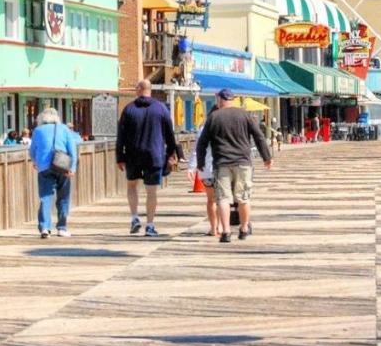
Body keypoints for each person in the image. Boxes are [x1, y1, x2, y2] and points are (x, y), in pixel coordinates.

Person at [197, 88, 273, 243]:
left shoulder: (213, 117)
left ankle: (225, 232)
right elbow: (259, 136)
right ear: (233, 99)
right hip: (243, 163)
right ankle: (244, 228)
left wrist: (200, 162)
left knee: (223, 199)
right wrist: (267, 157)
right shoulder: (245, 115)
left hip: (222, 163)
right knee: (244, 197)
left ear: (220, 100)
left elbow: (202, 143)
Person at [116, 79, 183, 237]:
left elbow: (121, 136)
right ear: (150, 90)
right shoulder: (161, 109)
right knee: (151, 191)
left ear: (139, 89)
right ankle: (150, 225)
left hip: (133, 154)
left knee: (132, 186)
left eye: (135, 87)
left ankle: (134, 218)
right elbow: (169, 134)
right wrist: (171, 153)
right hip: (154, 155)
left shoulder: (128, 109)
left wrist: (120, 156)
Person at [28, 107, 78, 238]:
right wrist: (72, 168)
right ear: (57, 117)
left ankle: (45, 228)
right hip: (62, 166)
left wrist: (36, 162)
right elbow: (72, 150)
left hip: (44, 167)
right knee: (63, 198)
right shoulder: (64, 129)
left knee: (45, 197)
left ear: (42, 118)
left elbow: (32, 151)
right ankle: (62, 228)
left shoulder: (37, 131)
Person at [188, 115, 218, 236]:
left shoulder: (204, 128)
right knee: (223, 200)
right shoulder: (227, 125)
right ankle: (222, 227)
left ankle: (213, 228)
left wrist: (192, 166)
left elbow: (197, 149)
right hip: (225, 168)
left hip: (207, 170)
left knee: (211, 200)